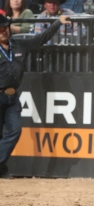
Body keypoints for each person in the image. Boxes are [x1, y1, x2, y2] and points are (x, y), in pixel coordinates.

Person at [0, 11, 70, 178]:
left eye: (5, 28)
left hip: (12, 97)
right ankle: (1, 170)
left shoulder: (19, 44)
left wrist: (57, 23)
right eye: (0, 29)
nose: (3, 31)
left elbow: (41, 38)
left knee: (15, 131)